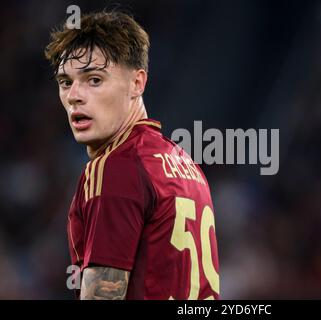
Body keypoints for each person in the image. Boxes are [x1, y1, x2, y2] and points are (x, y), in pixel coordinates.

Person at [45, 10, 219, 300]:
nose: (74, 95)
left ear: (137, 83)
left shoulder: (116, 167)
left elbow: (103, 295)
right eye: (66, 82)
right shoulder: (187, 165)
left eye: (94, 80)